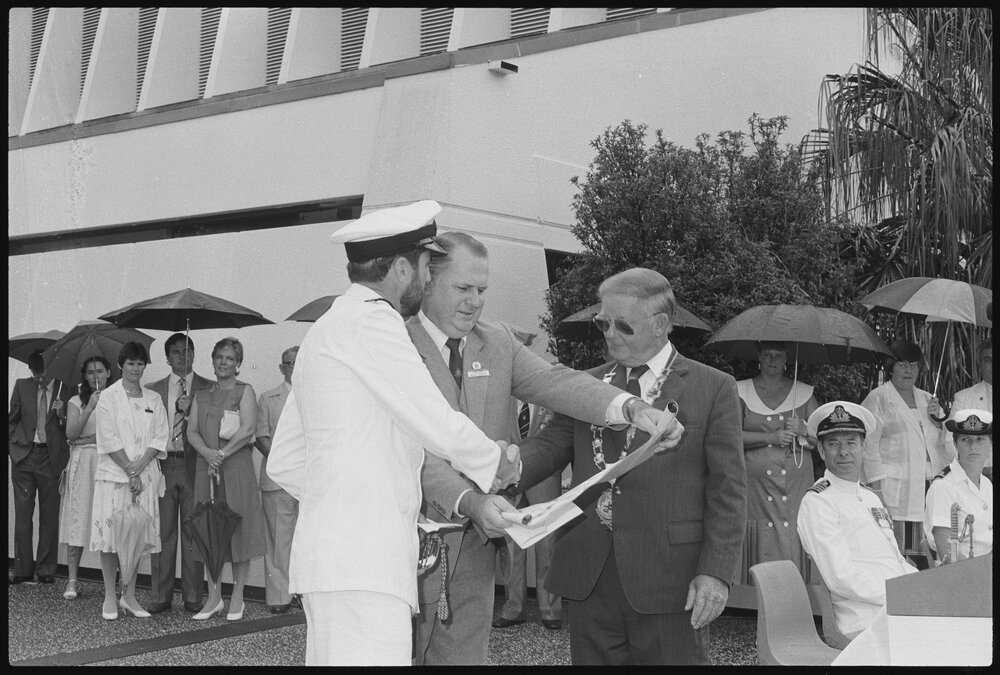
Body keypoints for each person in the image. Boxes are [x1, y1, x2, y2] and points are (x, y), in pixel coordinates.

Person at [266, 200, 521, 666]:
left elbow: (283, 461)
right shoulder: (374, 322)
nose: (427, 281)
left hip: (333, 561)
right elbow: (434, 420)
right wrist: (495, 462)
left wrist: (353, 502)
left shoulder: (329, 327)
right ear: (403, 268)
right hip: (367, 563)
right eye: (427, 267)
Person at [409, 235, 670, 665]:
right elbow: (410, 451)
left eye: (482, 290)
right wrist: (470, 500)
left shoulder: (496, 343)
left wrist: (631, 407)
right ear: (426, 280)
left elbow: (557, 383)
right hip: (405, 541)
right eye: (463, 288)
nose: (475, 302)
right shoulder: (394, 344)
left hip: (475, 546)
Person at [515, 267, 745, 665]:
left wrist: (716, 572)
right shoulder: (585, 385)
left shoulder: (713, 388)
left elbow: (728, 490)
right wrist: (495, 469)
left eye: (623, 325)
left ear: (661, 324)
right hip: (591, 574)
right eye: (603, 322)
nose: (610, 334)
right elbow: (547, 449)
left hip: (672, 580)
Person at [797, 401, 918, 640]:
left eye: (851, 442)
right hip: (864, 619)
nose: (843, 451)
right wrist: (900, 594)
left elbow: (895, 559)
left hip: (898, 608)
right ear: (821, 451)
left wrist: (920, 584)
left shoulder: (870, 497)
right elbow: (841, 577)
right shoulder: (819, 503)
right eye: (834, 444)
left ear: (863, 447)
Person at [186, 336, 267, 622]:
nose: (223, 362)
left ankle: (238, 597)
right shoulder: (202, 394)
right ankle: (214, 598)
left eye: (230, 358)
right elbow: (191, 432)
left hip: (235, 469)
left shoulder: (245, 391)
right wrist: (208, 454)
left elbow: (247, 430)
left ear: (239, 364)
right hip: (206, 467)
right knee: (210, 531)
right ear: (213, 360)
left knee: (239, 531)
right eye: (219, 357)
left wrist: (220, 454)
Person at [91, 341, 169, 620]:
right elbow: (108, 438)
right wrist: (129, 470)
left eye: (140, 363)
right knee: (111, 538)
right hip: (115, 477)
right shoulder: (108, 398)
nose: (136, 368)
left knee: (135, 536)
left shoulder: (154, 399)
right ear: (120, 365)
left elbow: (161, 436)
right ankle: (110, 596)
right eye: (131, 363)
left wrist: (140, 466)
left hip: (143, 476)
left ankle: (130, 595)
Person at [734, 342, 819, 594]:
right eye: (767, 355)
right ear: (759, 357)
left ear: (786, 360)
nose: (772, 360)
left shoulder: (802, 393)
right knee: (758, 529)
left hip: (795, 482)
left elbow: (821, 437)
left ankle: (797, 592)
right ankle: (751, 593)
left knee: (792, 527)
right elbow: (730, 437)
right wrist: (771, 437)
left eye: (778, 356)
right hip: (755, 485)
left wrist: (803, 429)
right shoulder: (741, 391)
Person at [861, 340, 951, 553]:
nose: (908, 370)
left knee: (931, 545)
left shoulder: (928, 399)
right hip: (895, 487)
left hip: (930, 485)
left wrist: (939, 420)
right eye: (902, 364)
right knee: (902, 549)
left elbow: (944, 444)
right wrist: (877, 489)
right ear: (891, 366)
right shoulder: (879, 397)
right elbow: (868, 446)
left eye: (913, 364)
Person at [145, 333, 212, 614]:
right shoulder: (153, 389)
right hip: (164, 463)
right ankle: (161, 595)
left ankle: (193, 595)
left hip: (194, 463)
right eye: (175, 352)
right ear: (167, 357)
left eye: (187, 350)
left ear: (194, 354)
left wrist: (192, 407)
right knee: (163, 532)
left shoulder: (208, 388)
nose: (182, 356)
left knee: (193, 531)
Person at [495, 403, 564, 632]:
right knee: (511, 544)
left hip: (544, 478)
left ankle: (551, 610)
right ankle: (514, 609)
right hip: (509, 479)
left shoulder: (547, 394)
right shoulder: (502, 393)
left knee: (548, 544)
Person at [8, 348, 70, 585]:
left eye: (43, 374)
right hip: (24, 456)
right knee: (22, 516)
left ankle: (46, 569)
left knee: (49, 515)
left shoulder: (66, 388)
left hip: (51, 459)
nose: (39, 379)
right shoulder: (22, 386)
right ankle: (22, 569)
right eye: (35, 374)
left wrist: (62, 414)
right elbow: (11, 420)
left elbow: (71, 428)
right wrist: (13, 450)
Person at [59, 355, 113, 600]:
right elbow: (70, 433)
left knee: (109, 518)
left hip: (107, 462)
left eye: (100, 371)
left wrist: (89, 439)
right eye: (91, 372)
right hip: (82, 463)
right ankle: (72, 579)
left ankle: (113, 581)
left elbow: (114, 436)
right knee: (78, 518)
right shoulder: (75, 401)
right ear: (85, 376)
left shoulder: (115, 399)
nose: (96, 376)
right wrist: (89, 406)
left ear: (109, 373)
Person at [254, 345, 300, 614]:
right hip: (278, 480)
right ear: (282, 368)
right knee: (278, 540)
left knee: (306, 540)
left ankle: (304, 594)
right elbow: (261, 436)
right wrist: (285, 463)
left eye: (297, 361)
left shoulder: (317, 395)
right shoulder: (268, 398)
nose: (293, 367)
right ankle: (279, 597)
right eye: (289, 363)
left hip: (310, 481)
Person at [924, 409, 992, 564]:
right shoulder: (943, 487)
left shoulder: (988, 485)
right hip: (961, 579)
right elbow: (948, 558)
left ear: (990, 445)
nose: (973, 447)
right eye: (965, 440)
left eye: (980, 439)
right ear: (955, 444)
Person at [947, 340, 992, 479]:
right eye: (987, 360)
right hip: (977, 476)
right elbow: (950, 440)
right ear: (980, 364)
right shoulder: (964, 398)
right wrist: (976, 469)